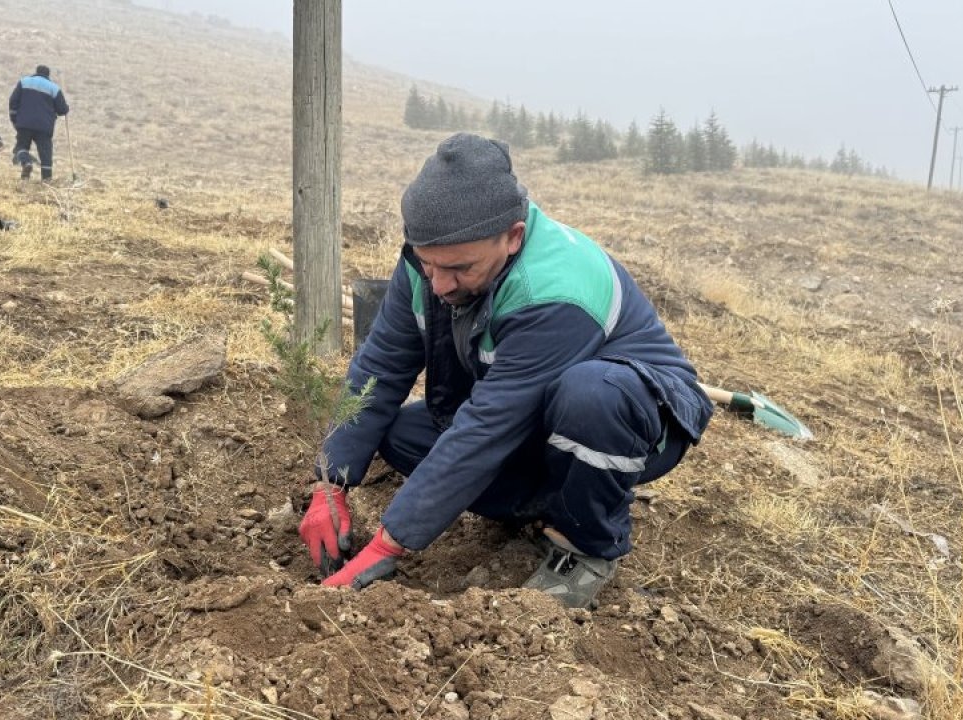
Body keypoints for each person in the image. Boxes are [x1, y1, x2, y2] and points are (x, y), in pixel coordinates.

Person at [300, 133, 713, 609]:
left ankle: (586, 546)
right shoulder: (430, 263)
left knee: (591, 395)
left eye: (458, 268)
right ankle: (544, 500)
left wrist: (389, 544)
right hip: (532, 416)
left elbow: (487, 428)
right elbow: (380, 367)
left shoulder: (557, 290)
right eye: (427, 264)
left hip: (637, 420)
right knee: (398, 433)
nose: (438, 285)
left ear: (513, 236)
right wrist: (330, 482)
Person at [8, 64, 69, 181]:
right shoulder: (54, 88)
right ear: (48, 75)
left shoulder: (24, 82)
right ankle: (46, 180)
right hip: (44, 127)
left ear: (36, 72)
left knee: (21, 147)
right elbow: (62, 110)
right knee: (46, 153)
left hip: (24, 123)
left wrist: (15, 119)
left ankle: (26, 163)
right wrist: (66, 107)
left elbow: (13, 101)